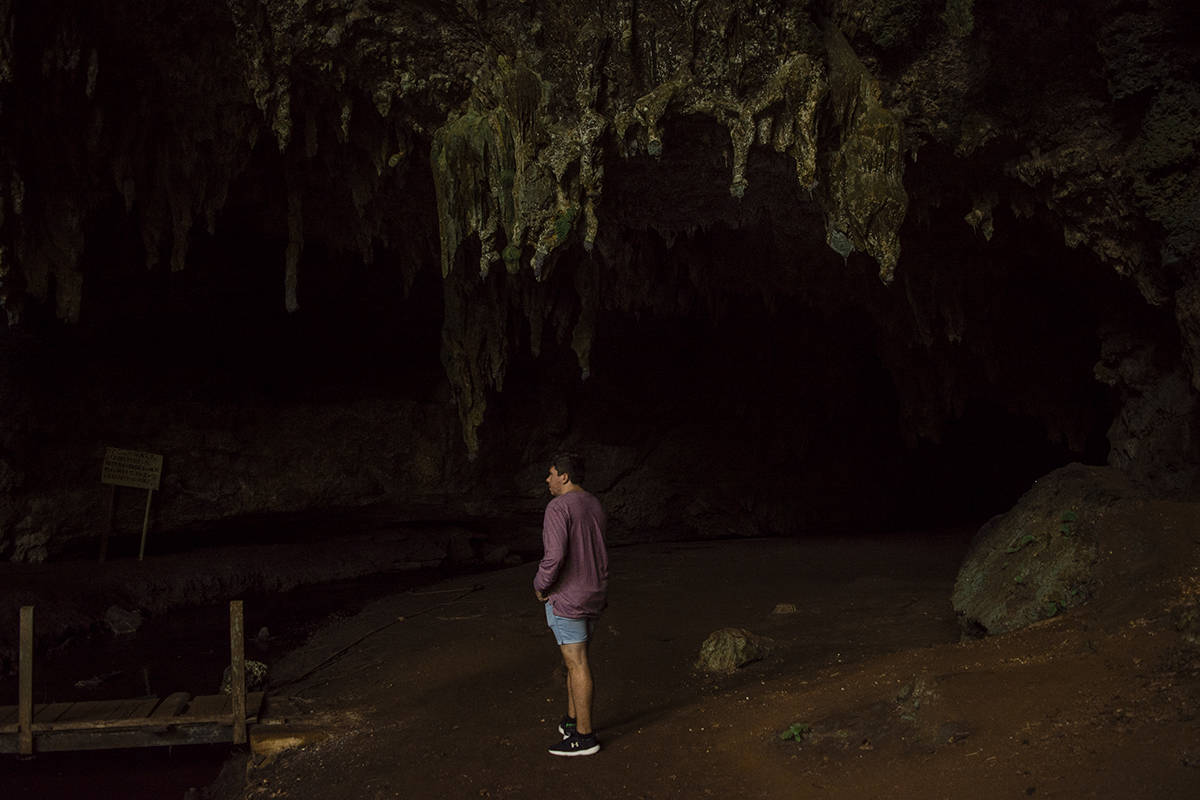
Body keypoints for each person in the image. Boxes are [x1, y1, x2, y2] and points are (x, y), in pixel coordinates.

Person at [534, 451, 608, 757]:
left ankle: (584, 737)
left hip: (570, 597)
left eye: (551, 474)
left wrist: (539, 585)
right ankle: (572, 719)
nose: (548, 480)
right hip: (594, 591)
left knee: (577, 664)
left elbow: (554, 557)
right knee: (576, 660)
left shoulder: (558, 506)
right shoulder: (593, 503)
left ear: (564, 476)